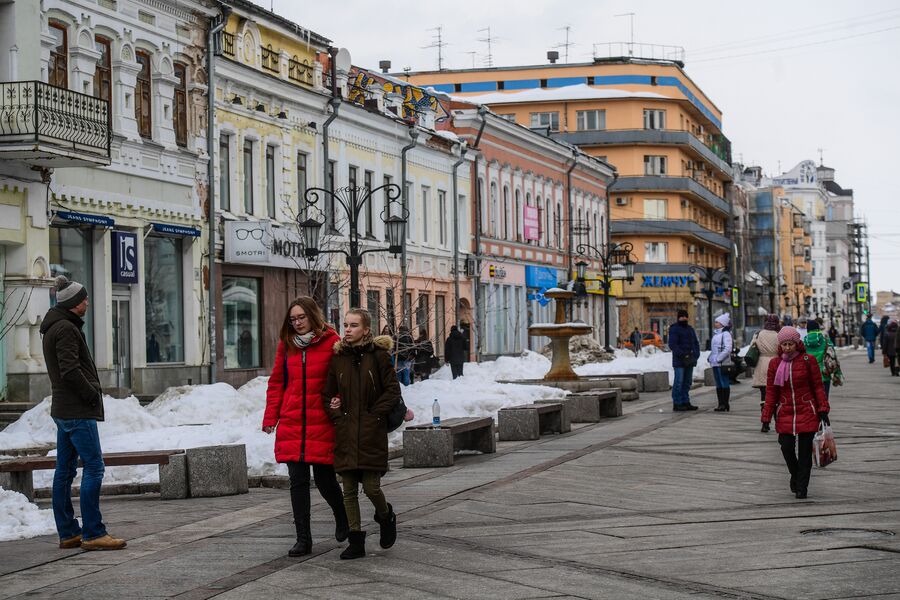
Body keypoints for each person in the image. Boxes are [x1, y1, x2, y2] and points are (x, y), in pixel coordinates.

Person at [40, 276, 126, 551]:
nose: (87, 302)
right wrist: (91, 393)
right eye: (84, 299)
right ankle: (93, 532)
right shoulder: (65, 328)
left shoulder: (56, 325)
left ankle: (68, 532)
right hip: (76, 410)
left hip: (64, 409)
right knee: (94, 467)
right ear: (74, 303)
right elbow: (69, 370)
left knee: (64, 471)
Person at [263, 297, 348, 557]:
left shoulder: (332, 342)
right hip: (292, 422)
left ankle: (341, 516)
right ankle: (303, 539)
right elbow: (277, 382)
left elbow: (343, 380)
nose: (297, 323)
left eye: (301, 317)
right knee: (297, 482)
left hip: (321, 422)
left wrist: (339, 401)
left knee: (325, 480)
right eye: (293, 319)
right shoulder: (286, 345)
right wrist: (270, 417)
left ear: (313, 316)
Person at [323, 308, 402, 560]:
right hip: (346, 432)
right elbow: (328, 394)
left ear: (366, 330)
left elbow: (392, 390)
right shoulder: (338, 358)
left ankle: (385, 515)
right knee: (347, 490)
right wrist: (337, 415)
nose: (347, 329)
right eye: (345, 324)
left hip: (370, 432)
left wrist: (375, 416)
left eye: (353, 325)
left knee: (370, 487)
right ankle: (355, 540)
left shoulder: (378, 356)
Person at [761, 326, 830, 499]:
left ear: (797, 343)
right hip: (785, 411)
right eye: (784, 344)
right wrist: (766, 416)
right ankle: (795, 475)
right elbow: (771, 391)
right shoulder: (775, 363)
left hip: (806, 409)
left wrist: (823, 409)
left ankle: (802, 487)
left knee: (805, 451)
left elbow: (818, 386)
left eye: (790, 343)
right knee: (786, 447)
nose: (787, 347)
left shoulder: (808, 360)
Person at [752, 314, 781, 432]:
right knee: (777, 396)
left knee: (764, 397)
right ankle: (778, 422)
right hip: (777, 365)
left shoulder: (758, 334)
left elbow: (752, 347)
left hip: (762, 365)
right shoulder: (779, 335)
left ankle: (765, 423)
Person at [667, 309, 700, 412]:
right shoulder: (674, 329)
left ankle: (686, 401)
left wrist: (695, 355)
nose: (684, 318)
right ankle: (677, 403)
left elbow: (695, 343)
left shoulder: (690, 329)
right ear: (678, 318)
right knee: (679, 382)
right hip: (679, 361)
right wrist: (682, 354)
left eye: (686, 316)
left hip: (690, 360)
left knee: (687, 382)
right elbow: (672, 344)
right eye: (682, 316)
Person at [804, 319, 843, 397]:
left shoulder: (803, 343)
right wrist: (837, 374)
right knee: (824, 401)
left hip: (809, 377)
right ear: (818, 329)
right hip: (824, 376)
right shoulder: (826, 341)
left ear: (807, 330)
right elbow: (833, 358)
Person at [708, 313, 734, 412]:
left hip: (722, 363)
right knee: (718, 384)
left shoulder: (726, 334)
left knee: (724, 383)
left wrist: (719, 358)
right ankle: (721, 404)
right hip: (715, 363)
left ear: (722, 323)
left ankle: (725, 403)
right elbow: (714, 349)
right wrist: (711, 357)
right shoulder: (717, 334)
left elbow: (728, 348)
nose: (715, 323)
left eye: (717, 322)